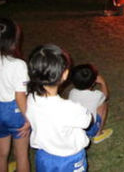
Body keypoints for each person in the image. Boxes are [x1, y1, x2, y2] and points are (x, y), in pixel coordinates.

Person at [26, 44, 91, 172]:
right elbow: (87, 121)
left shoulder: (30, 99)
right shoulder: (68, 108)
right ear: (65, 74)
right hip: (70, 158)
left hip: (44, 156)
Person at [0, 18, 30, 172]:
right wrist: (28, 118)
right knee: (21, 155)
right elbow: (20, 96)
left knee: (1, 154)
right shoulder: (18, 65)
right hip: (14, 111)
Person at [69, 64, 113, 144]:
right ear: (93, 82)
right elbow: (105, 96)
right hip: (88, 130)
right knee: (104, 105)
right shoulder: (96, 95)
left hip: (75, 130)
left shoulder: (72, 92)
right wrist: (103, 83)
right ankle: (98, 135)